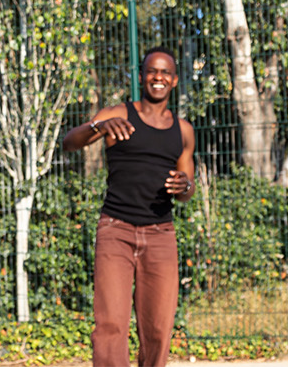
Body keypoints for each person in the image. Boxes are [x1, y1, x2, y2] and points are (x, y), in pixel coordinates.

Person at [60, 47, 198, 367]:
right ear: (141, 76)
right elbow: (69, 142)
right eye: (152, 71)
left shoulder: (184, 131)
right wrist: (98, 127)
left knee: (158, 329)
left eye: (165, 72)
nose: (158, 77)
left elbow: (187, 188)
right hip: (116, 231)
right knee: (110, 325)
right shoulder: (117, 114)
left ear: (174, 80)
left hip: (161, 235)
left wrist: (185, 187)